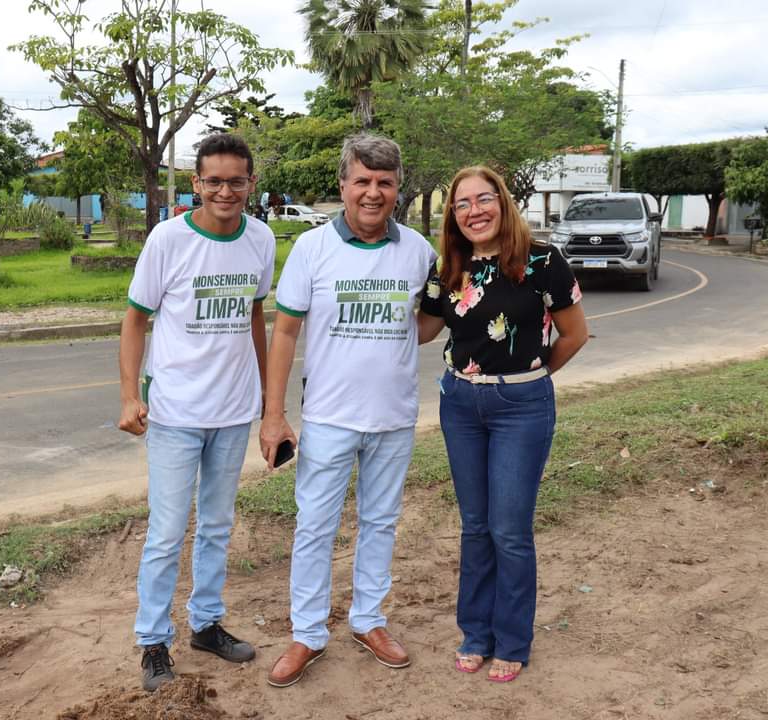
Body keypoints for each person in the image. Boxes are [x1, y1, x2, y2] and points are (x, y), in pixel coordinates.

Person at [260, 134, 437, 688]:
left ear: (397, 189)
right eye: (362, 181)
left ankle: (368, 621)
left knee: (380, 522)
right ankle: (308, 634)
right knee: (315, 526)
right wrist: (274, 415)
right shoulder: (312, 250)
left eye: (384, 183)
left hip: (394, 417)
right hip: (330, 418)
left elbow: (427, 325)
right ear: (343, 186)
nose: (372, 193)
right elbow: (285, 332)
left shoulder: (419, 251)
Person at [417, 165, 588, 683]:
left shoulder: (542, 261)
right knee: (474, 527)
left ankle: (512, 640)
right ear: (453, 215)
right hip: (460, 405)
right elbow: (424, 329)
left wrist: (531, 377)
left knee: (509, 531)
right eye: (462, 204)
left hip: (521, 408)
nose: (474, 211)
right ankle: (475, 634)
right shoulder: (448, 265)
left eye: (484, 199)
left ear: (503, 202)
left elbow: (574, 334)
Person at [118, 133, 276, 693]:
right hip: (176, 411)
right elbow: (135, 319)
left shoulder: (260, 238)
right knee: (165, 531)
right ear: (196, 184)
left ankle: (206, 624)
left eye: (236, 180)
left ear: (250, 183)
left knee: (216, 524)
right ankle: (153, 641)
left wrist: (264, 395)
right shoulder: (168, 240)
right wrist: (130, 395)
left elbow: (257, 316)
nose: (225, 191)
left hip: (232, 410)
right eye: (214, 181)